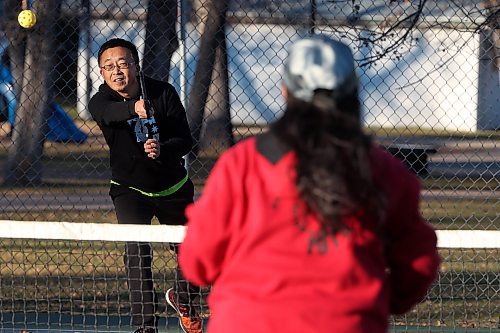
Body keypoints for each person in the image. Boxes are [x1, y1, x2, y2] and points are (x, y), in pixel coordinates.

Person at [178, 35, 440, 333]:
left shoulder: (241, 165)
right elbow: (418, 262)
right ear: (352, 93)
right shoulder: (384, 172)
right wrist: (377, 301)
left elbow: (199, 261)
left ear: (285, 91)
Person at [88, 38, 203, 333]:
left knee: (194, 250)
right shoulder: (101, 100)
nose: (117, 72)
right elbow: (107, 114)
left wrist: (163, 148)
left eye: (123, 64)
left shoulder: (163, 93)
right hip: (130, 191)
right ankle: (144, 326)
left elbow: (185, 139)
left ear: (136, 67)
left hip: (173, 188)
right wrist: (133, 108)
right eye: (109, 67)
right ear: (102, 73)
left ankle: (185, 299)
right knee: (137, 253)